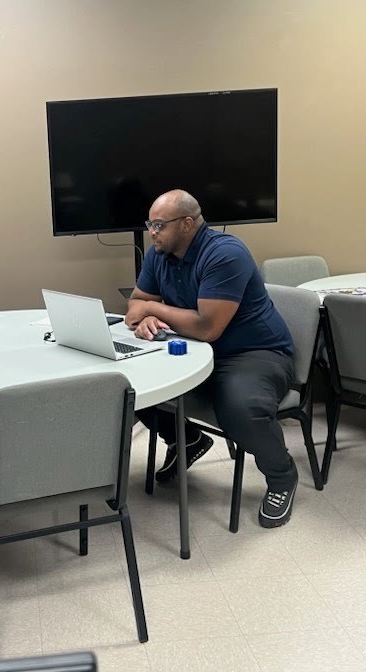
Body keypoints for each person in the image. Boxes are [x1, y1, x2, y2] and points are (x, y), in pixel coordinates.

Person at [126, 190, 299, 527]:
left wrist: (152, 308)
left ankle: (282, 476)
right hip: (195, 351)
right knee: (131, 385)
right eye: (150, 224)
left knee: (241, 408)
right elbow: (136, 303)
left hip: (254, 353)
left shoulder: (225, 254)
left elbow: (208, 327)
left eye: (159, 225)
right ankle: (187, 439)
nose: (152, 233)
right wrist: (144, 314)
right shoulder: (160, 252)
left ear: (187, 223)